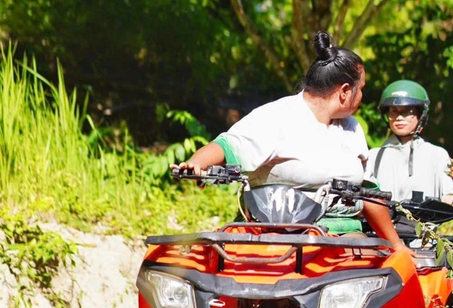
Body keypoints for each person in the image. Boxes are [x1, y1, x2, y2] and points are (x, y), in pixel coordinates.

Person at [172, 31, 410, 253]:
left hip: (342, 240)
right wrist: (196, 163)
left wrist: (398, 247)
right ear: (345, 92)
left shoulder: (352, 128)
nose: (362, 97)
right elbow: (227, 145)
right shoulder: (278, 115)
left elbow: (368, 194)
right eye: (361, 90)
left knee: (367, 269)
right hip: (273, 234)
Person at [366, 80, 453, 207]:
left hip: (423, 225)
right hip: (380, 225)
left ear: (420, 115)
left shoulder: (437, 155)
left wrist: (452, 196)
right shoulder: (373, 156)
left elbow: (452, 188)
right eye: (394, 111)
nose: (399, 117)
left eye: (407, 111)